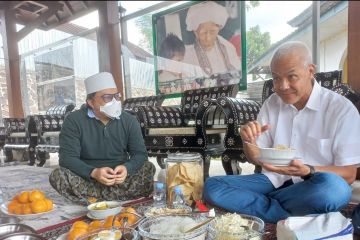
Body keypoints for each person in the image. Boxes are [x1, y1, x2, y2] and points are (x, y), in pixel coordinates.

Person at [204, 41, 360, 223]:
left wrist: (308, 170)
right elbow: (256, 157)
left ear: (310, 71)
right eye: (276, 78)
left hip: (312, 184)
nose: (282, 86)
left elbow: (349, 174)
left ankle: (262, 207)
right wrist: (249, 142)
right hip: (271, 180)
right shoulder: (272, 103)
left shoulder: (340, 109)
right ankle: (286, 213)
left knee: (335, 191)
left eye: (291, 76)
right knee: (212, 186)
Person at [49, 72, 155, 204]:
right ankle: (116, 196)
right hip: (88, 179)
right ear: (91, 102)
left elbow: (140, 154)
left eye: (117, 96)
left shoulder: (129, 120)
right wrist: (93, 172)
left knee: (148, 168)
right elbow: (67, 158)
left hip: (120, 179)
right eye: (107, 97)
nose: (115, 101)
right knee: (58, 176)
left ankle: (93, 198)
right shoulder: (73, 120)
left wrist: (127, 169)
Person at [183, 1, 240, 81]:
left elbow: (238, 75)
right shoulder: (188, 56)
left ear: (219, 29)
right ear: (195, 32)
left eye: (213, 32)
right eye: (203, 33)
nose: (208, 38)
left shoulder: (228, 48)